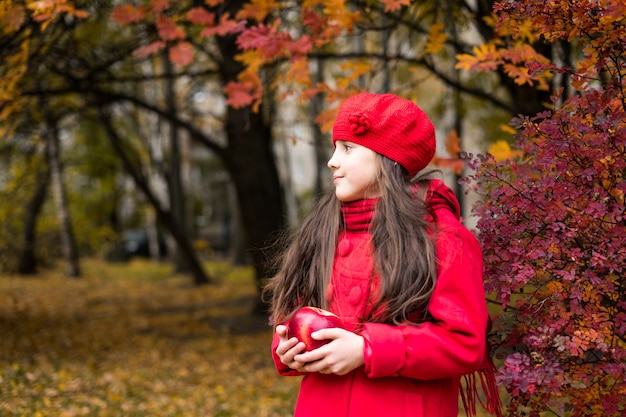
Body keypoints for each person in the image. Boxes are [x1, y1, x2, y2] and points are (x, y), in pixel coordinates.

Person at [263, 92, 501, 417]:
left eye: (347, 148)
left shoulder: (442, 238)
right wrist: (288, 349)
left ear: (388, 160)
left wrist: (368, 349)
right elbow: (294, 314)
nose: (333, 160)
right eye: (334, 148)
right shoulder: (322, 233)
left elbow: (465, 343)